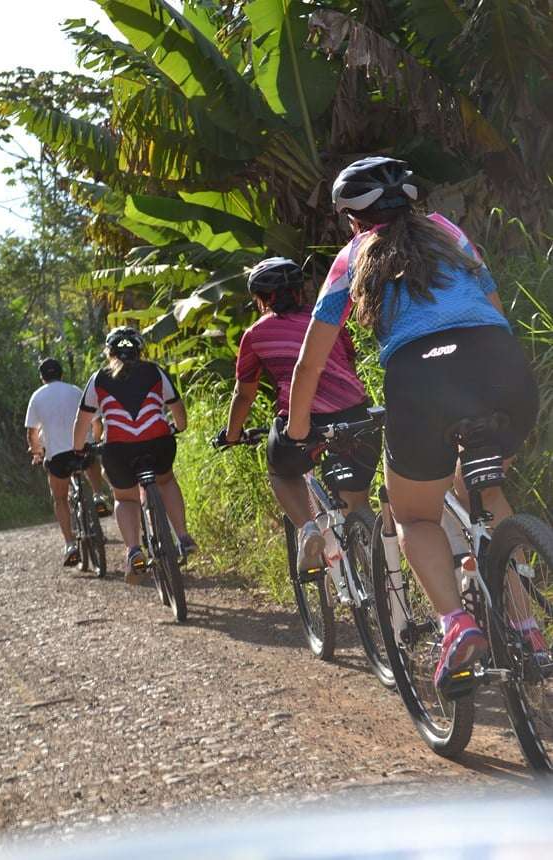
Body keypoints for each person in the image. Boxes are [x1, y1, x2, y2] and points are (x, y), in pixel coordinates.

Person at [284, 156, 541, 692]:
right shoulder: (448, 233)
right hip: (503, 369)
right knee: (484, 489)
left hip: (421, 380)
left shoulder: (353, 256)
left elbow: (311, 362)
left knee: (414, 516)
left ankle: (456, 627)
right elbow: (492, 308)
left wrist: (298, 428)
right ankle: (528, 626)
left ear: (352, 219)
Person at [215, 257, 381, 572]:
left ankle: (307, 529)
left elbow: (244, 394)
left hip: (303, 424)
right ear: (301, 292)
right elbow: (348, 361)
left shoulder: (255, 334)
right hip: (357, 415)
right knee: (355, 502)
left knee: (282, 472)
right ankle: (378, 578)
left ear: (261, 299)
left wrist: (232, 435)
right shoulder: (328, 320)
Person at [72, 326, 196, 582]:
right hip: (159, 444)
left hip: (119, 451)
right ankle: (183, 537)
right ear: (140, 350)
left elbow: (82, 421)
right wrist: (179, 427)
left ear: (109, 352)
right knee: (166, 480)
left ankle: (134, 551)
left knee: (126, 498)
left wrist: (78, 448)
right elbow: (177, 408)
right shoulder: (154, 371)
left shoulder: (99, 378)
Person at [25, 357, 111, 567]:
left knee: (60, 498)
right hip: (81, 450)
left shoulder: (37, 397)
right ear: (62, 374)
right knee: (91, 458)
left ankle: (71, 545)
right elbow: (96, 422)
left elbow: (32, 434)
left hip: (58, 457)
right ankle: (99, 495)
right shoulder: (75, 390)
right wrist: (96, 440)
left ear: (42, 377)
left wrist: (37, 453)